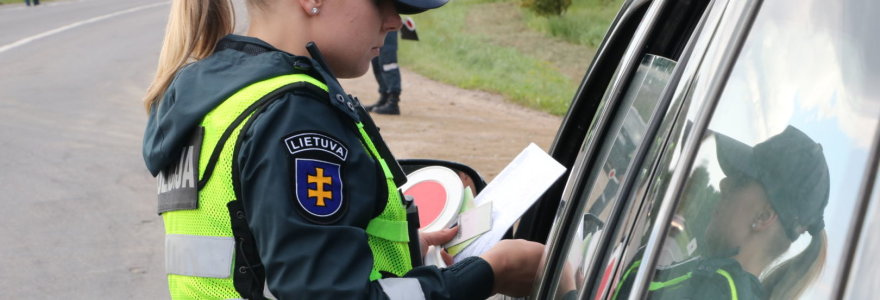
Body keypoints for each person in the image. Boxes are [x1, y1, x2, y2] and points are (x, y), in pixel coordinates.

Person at [140, 0, 545, 299]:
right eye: (382, 2)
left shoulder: (214, 101)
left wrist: (400, 249)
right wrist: (493, 271)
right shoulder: (293, 116)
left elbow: (254, 250)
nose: (394, 21)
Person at [612, 126, 830, 300]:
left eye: (741, 181)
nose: (724, 184)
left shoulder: (719, 290)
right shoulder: (718, 283)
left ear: (763, 217)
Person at [365, 31, 403, 115]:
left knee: (388, 60)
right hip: (375, 23)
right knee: (376, 60)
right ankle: (384, 98)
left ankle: (393, 102)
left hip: (389, 22)